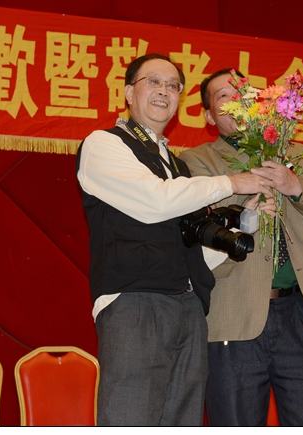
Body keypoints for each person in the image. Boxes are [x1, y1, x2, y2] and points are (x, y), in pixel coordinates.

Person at [75, 55, 273, 426]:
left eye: (173, 86)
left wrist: (248, 220)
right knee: (131, 420)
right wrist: (232, 182)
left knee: (183, 422)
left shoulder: (176, 165)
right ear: (129, 92)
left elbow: (192, 250)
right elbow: (155, 202)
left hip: (189, 306)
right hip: (136, 302)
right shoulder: (104, 144)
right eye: (153, 81)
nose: (164, 91)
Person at [180, 68, 303, 426]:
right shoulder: (197, 161)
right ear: (209, 116)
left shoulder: (296, 153)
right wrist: (248, 201)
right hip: (234, 313)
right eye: (223, 96)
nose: (236, 101)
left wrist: (295, 186)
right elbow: (203, 224)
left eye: (242, 93)